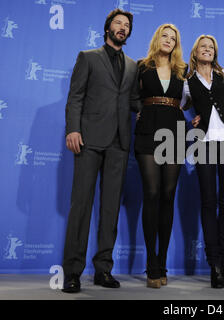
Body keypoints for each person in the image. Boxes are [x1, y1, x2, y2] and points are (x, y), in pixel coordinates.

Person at [62, 9, 140, 293]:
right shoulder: (88, 57)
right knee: (81, 206)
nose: (122, 27)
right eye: (118, 23)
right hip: (89, 139)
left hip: (119, 142)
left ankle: (103, 269)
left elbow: (133, 100)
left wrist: (152, 111)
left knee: (110, 210)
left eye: (127, 25)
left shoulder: (133, 66)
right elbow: (75, 97)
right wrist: (73, 129)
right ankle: (72, 272)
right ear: (107, 28)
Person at [183, 35, 224, 288]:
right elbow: (181, 106)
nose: (207, 50)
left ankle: (223, 262)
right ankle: (214, 264)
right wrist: (194, 119)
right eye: (203, 47)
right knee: (208, 202)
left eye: (211, 47)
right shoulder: (186, 82)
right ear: (195, 52)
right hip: (204, 143)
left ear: (215, 53)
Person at [134, 24, 187, 289]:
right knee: (152, 193)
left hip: (175, 131)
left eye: (173, 38)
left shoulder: (183, 69)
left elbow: (200, 95)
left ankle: (163, 261)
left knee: (168, 194)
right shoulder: (142, 66)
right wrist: (137, 110)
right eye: (164, 36)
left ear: (177, 43)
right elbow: (131, 96)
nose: (168, 40)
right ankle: (152, 263)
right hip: (147, 131)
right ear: (157, 39)